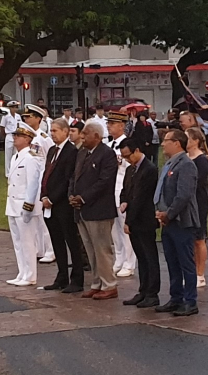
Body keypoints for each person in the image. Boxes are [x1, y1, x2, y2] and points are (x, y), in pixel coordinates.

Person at [69, 120, 119, 300]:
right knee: (90, 249)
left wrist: (84, 197)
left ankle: (109, 284)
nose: (82, 137)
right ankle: (97, 283)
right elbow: (74, 177)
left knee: (102, 249)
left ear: (96, 136)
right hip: (81, 210)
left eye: (85, 134)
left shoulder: (107, 154)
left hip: (99, 210)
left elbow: (104, 182)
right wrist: (72, 195)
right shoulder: (82, 153)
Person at [154, 129, 200, 317]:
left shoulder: (186, 165)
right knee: (172, 262)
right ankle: (176, 297)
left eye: (167, 140)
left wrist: (169, 213)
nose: (163, 144)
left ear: (177, 143)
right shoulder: (169, 163)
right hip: (168, 220)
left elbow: (184, 195)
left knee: (185, 262)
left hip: (181, 221)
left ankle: (190, 300)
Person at [40, 119, 82, 293]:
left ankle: (77, 278)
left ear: (66, 132)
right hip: (49, 203)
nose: (53, 134)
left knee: (71, 241)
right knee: (56, 240)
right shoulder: (52, 150)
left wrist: (53, 198)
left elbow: (67, 179)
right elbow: (47, 174)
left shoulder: (71, 152)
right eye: (51, 131)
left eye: (56, 131)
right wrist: (43, 195)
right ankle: (62, 275)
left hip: (63, 203)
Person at [119, 138, 160, 308]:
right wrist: (123, 201)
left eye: (128, 156)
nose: (127, 160)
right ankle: (143, 290)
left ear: (137, 151)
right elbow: (126, 190)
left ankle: (152, 292)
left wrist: (129, 220)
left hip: (144, 219)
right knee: (141, 257)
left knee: (149, 257)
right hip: (133, 217)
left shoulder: (149, 170)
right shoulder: (130, 170)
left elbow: (141, 197)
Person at [5, 123, 42, 286]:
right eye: (14, 135)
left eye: (18, 136)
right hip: (13, 204)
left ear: (27, 139)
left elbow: (33, 184)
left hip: (23, 205)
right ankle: (22, 272)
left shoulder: (31, 157)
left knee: (27, 242)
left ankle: (30, 274)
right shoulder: (15, 157)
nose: (14, 138)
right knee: (17, 241)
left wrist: (28, 206)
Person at [21, 105, 55, 265]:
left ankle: (50, 249)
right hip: (33, 180)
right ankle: (40, 248)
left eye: (29, 117)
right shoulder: (32, 138)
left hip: (43, 179)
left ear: (38, 119)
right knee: (36, 215)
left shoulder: (43, 138)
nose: (26, 119)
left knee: (43, 216)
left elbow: (50, 159)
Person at [105, 111, 136, 278]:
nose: (109, 126)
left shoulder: (127, 144)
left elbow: (130, 167)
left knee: (125, 229)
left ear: (122, 126)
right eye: (108, 123)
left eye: (112, 123)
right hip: (111, 191)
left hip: (123, 190)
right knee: (114, 230)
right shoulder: (109, 145)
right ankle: (119, 258)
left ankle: (129, 262)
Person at [185, 128, 208, 288]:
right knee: (188, 238)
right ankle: (190, 271)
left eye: (187, 138)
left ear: (195, 140)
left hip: (198, 201)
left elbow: (198, 182)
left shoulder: (202, 161)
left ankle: (200, 274)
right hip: (186, 202)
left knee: (199, 238)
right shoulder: (184, 158)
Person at [2, 101, 20, 167]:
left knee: (16, 154)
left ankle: (14, 168)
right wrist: (6, 135)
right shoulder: (6, 117)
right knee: (8, 155)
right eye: (13, 107)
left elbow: (19, 126)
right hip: (9, 135)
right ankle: (8, 172)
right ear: (10, 108)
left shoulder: (18, 116)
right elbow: (2, 127)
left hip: (16, 135)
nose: (15, 109)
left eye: (16, 107)